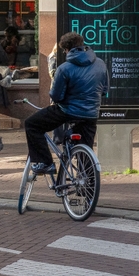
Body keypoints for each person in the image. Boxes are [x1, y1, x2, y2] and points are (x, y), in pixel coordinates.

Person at [24, 32, 106, 175]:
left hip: (68, 111)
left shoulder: (64, 68)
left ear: (67, 50)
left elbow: (56, 96)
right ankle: (88, 189)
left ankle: (46, 163)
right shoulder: (100, 64)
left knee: (32, 124)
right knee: (86, 148)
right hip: (91, 113)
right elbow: (104, 90)